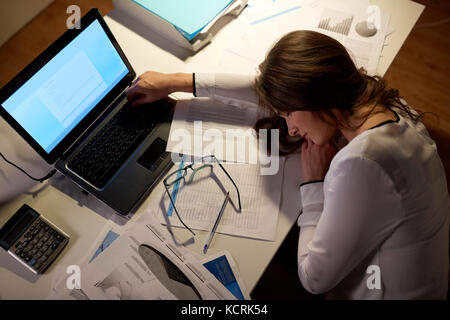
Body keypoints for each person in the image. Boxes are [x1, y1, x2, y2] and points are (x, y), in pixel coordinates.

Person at [125, 30, 449, 299]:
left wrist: (314, 185)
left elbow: (313, 279)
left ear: (311, 96)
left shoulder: (361, 163)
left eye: (288, 113)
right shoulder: (385, 103)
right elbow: (274, 92)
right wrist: (177, 82)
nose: (291, 127)